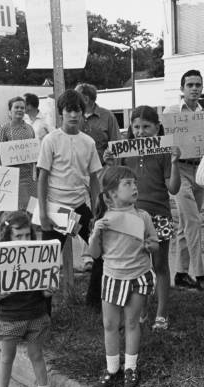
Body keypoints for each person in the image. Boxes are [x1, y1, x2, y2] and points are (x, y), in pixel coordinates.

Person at [104, 106, 181, 330]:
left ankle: (162, 314)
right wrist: (110, 163)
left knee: (160, 265)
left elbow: (173, 188)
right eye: (136, 127)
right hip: (132, 217)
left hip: (159, 216)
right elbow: (114, 183)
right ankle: (141, 310)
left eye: (146, 126)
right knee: (138, 265)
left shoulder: (164, 152)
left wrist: (175, 162)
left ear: (157, 128)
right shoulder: (125, 152)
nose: (140, 132)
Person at [88, 166, 159, 387]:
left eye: (134, 183)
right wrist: (95, 233)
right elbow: (95, 254)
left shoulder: (143, 217)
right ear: (111, 194)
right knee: (109, 324)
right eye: (127, 184)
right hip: (113, 277)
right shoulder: (104, 220)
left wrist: (150, 245)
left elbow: (155, 242)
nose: (134, 187)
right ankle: (111, 369)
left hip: (138, 275)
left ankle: (130, 367)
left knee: (132, 322)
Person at [0, 211, 57, 387]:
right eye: (18, 236)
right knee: (7, 357)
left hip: (36, 315)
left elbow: (45, 290)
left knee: (36, 354)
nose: (24, 240)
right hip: (10, 317)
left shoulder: (39, 256)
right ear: (8, 236)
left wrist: (48, 291)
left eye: (27, 235)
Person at [36, 90, 103, 308]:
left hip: (80, 207)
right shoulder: (50, 140)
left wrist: (96, 212)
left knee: (101, 252)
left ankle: (94, 302)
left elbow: (94, 179)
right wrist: (44, 213)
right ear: (61, 113)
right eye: (69, 110)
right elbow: (42, 178)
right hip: (56, 210)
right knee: (46, 263)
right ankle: (42, 313)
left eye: (78, 110)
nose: (73, 115)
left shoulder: (88, 142)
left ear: (84, 113)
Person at [164, 70, 204, 291]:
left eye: (198, 85)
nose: (195, 88)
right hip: (180, 172)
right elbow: (165, 144)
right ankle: (200, 275)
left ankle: (180, 273)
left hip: (199, 171)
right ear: (182, 88)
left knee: (185, 225)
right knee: (194, 222)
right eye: (190, 85)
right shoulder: (172, 112)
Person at [74, 83, 122, 278]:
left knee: (98, 209)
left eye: (78, 96)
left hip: (100, 170)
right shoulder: (73, 116)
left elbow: (116, 142)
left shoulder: (107, 116)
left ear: (86, 98)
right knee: (81, 211)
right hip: (77, 170)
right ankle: (87, 257)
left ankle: (100, 251)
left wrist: (114, 163)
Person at [0, 97, 36, 211]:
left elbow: (34, 152)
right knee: (17, 210)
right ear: (10, 111)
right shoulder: (4, 129)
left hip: (29, 177)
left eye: (22, 108)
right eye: (16, 107)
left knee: (31, 209)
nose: (19, 110)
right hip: (12, 177)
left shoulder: (30, 128)